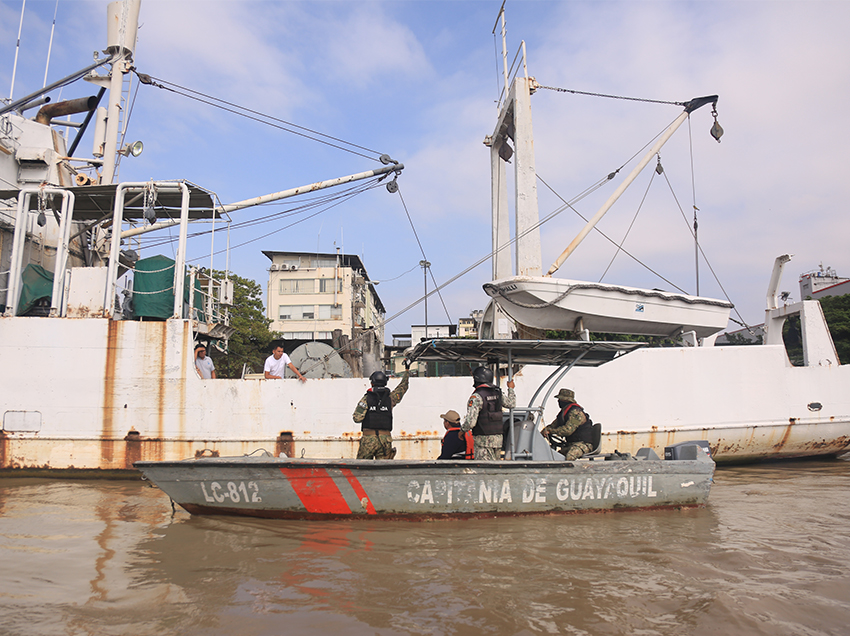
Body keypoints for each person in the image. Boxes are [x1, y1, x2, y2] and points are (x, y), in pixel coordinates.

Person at [352, 367, 410, 459]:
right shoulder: (391, 398)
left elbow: (357, 418)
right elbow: (403, 387)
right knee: (384, 469)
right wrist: (406, 371)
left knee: (363, 469)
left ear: (372, 383)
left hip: (368, 440)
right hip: (385, 440)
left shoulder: (366, 399)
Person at [460, 366, 516, 460]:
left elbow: (470, 422)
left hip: (483, 441)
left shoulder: (477, 397)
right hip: (498, 440)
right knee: (495, 468)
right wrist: (511, 389)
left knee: (484, 470)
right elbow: (511, 404)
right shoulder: (498, 393)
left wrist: (462, 431)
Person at [541, 388, 594, 460]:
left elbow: (568, 430)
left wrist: (551, 431)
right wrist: (543, 432)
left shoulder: (576, 413)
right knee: (556, 457)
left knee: (570, 456)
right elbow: (553, 425)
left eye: (561, 399)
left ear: (566, 400)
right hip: (571, 445)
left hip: (583, 444)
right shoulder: (564, 413)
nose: (559, 401)